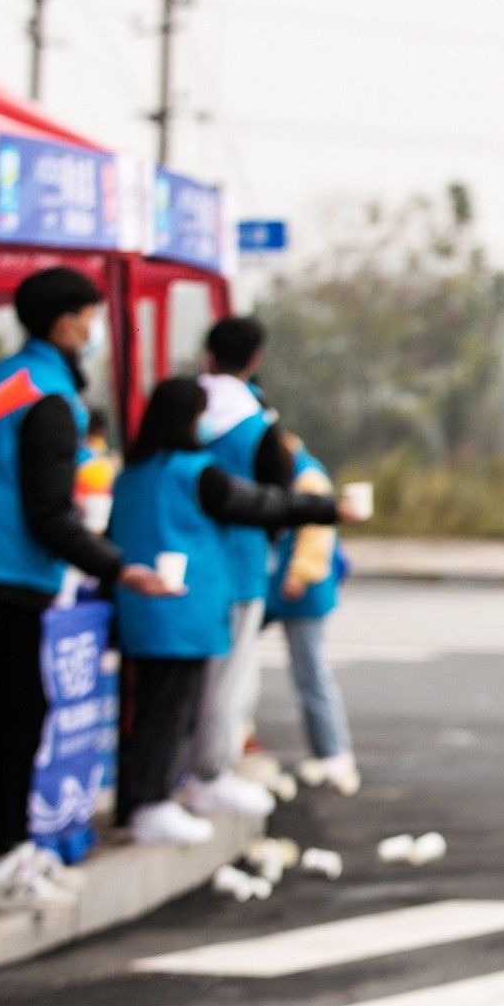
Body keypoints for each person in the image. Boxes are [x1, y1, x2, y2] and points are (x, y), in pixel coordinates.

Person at [0, 267, 177, 911]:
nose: (93, 328)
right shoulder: (45, 396)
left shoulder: (4, 380)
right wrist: (120, 567)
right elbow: (48, 512)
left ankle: (14, 848)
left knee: (18, 715)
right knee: (10, 722)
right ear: (64, 322)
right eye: (88, 315)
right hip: (3, 575)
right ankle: (0, 862)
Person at [108, 380, 352, 844]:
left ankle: (145, 799)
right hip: (184, 612)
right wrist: (328, 510)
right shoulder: (199, 474)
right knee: (174, 711)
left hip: (141, 610)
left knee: (150, 708)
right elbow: (262, 503)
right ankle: (156, 802)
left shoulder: (131, 473)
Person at [187, 316, 296, 817]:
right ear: (255, 359)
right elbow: (279, 498)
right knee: (227, 677)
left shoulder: (182, 406)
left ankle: (191, 772)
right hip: (238, 561)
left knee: (186, 678)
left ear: (208, 354)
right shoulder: (257, 422)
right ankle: (210, 775)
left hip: (178, 556)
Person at [265, 432, 360, 795]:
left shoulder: (308, 476)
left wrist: (298, 575)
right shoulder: (295, 470)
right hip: (283, 586)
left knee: (311, 674)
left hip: (302, 589)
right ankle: (327, 753)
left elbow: (316, 534)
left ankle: (334, 753)